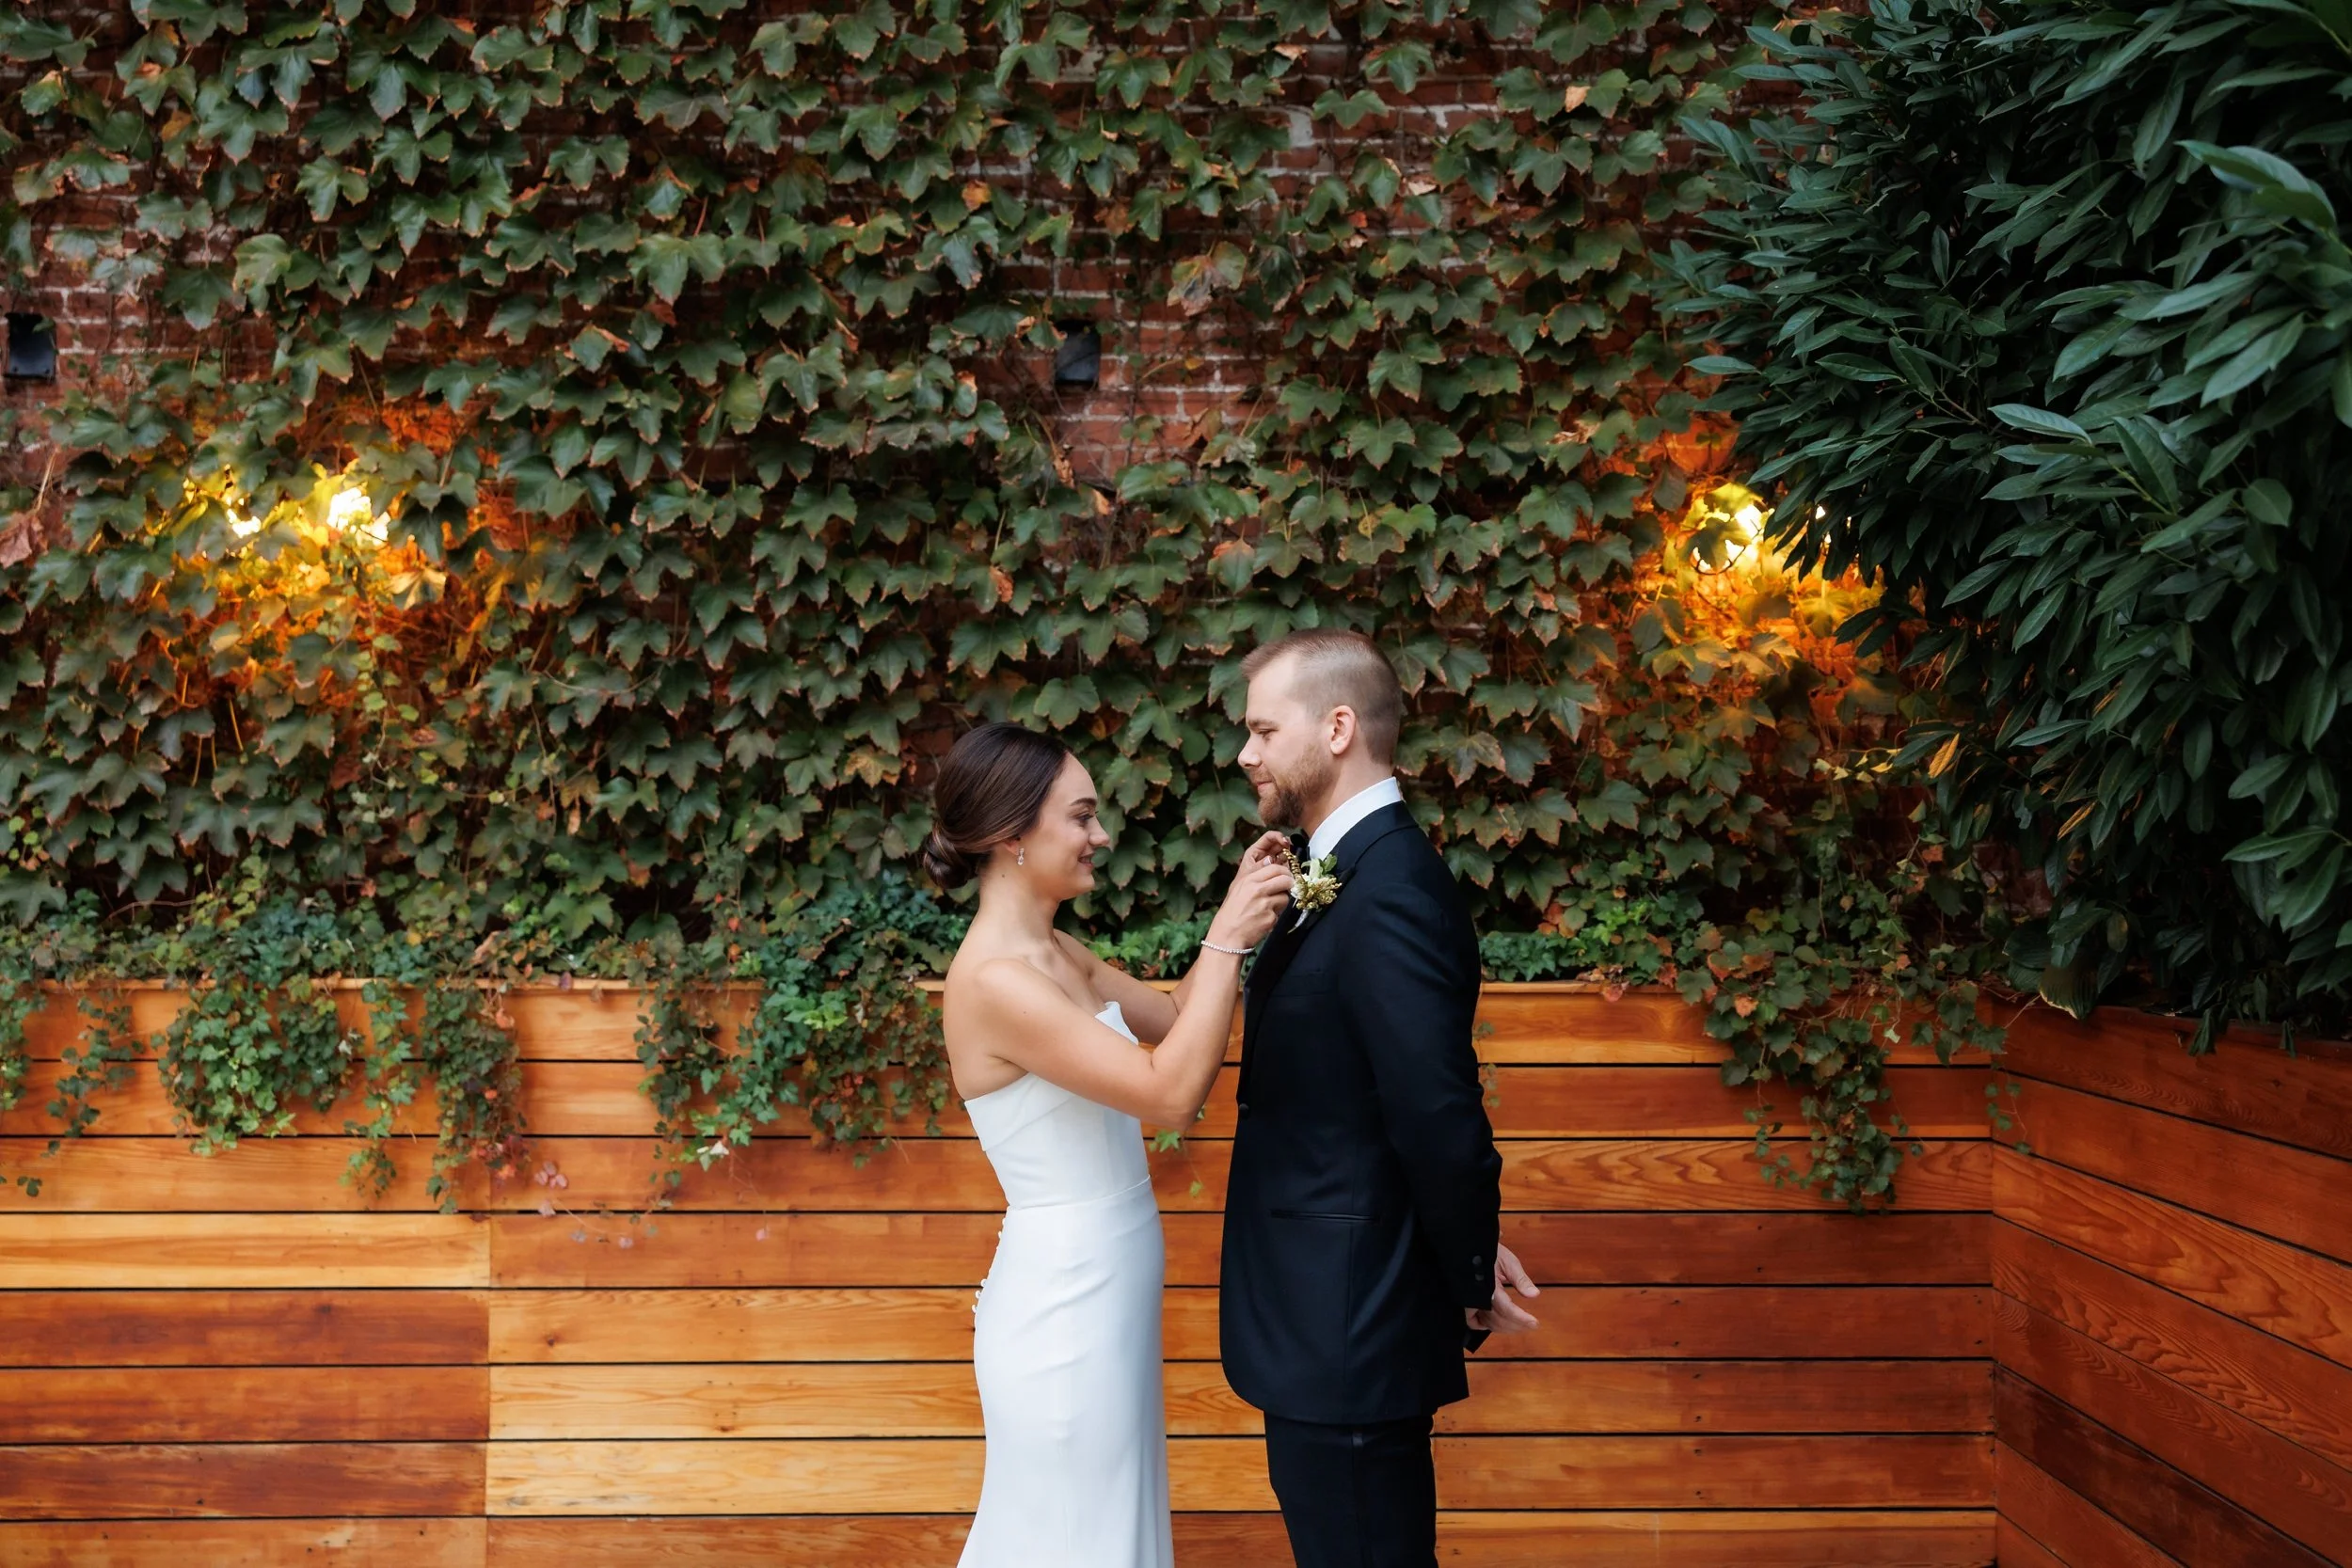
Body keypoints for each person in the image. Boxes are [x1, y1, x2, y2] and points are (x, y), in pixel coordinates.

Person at [931, 721, 1294, 1568]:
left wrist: (1239, 913)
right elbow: (1170, 1090)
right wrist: (1230, 935)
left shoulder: (1053, 949)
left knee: (1103, 1533)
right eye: (1082, 817)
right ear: (1011, 836)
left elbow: (1172, 1017)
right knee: (1069, 1540)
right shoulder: (995, 980)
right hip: (1064, 1307)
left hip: (1105, 1294)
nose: (1102, 836)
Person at [1222, 627, 1541, 1568]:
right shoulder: (1347, 874)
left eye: (1260, 729)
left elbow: (1439, 1113)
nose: (1244, 752)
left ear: (1335, 727)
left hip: (1348, 1332)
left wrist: (1467, 1266)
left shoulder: (1390, 887)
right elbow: (1373, 1106)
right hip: (1329, 1322)